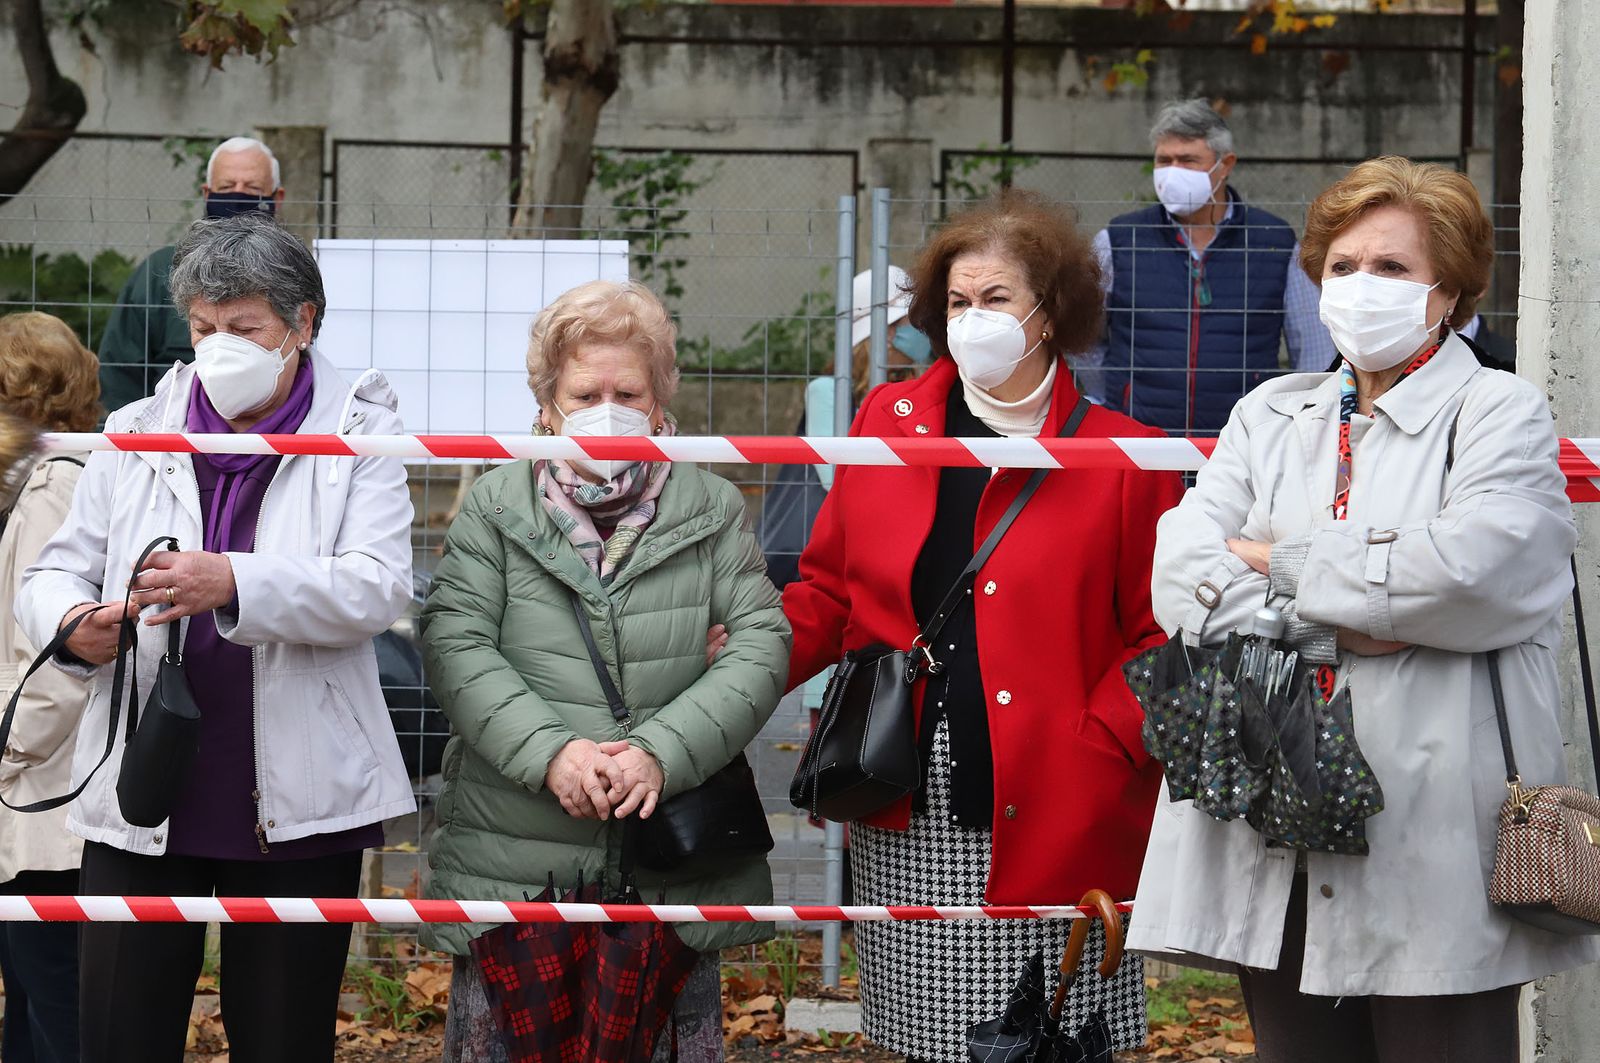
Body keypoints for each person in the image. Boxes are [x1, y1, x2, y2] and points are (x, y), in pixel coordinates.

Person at [1128, 156, 1600, 1062]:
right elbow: (1180, 572)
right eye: (1342, 267)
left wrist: (1283, 563)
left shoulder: (1499, 412)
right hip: (1273, 801)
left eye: (1391, 268)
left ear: (1449, 289)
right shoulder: (1270, 411)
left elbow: (1473, 575)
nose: (1359, 287)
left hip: (1433, 826)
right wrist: (1349, 613)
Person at [783, 190, 1183, 1062]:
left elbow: (1164, 640)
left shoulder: (1125, 457)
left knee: (1054, 1043)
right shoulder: (886, 425)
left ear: (1051, 313)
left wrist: (1103, 742)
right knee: (928, 1042)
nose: (972, 320)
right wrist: (728, 667)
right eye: (957, 303)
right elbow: (828, 593)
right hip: (908, 795)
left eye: (996, 299)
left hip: (1061, 802)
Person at [16, 213, 417, 1063]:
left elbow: (377, 585)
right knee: (119, 1033)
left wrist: (234, 580)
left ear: (303, 323)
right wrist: (71, 625)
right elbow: (54, 572)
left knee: (282, 1038)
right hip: (144, 783)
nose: (219, 347)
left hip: (301, 797)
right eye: (203, 328)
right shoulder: (135, 428)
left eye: (244, 328)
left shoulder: (362, 432)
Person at [419, 279, 791, 1063]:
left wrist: (660, 748)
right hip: (516, 872)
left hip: (668, 872)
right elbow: (457, 644)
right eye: (585, 392)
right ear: (547, 404)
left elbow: (761, 640)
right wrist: (552, 751)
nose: (607, 407)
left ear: (660, 401)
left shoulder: (713, 505)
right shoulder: (492, 506)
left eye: (628, 390)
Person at [1083, 99, 1336, 435]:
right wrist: (1114, 397)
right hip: (1138, 439)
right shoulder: (1119, 239)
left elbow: (1314, 346)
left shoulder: (1272, 241)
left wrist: (1291, 420)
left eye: (1188, 160)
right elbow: (1086, 338)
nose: (1174, 171)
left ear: (1225, 164)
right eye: (1164, 160)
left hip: (1243, 439)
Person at [0, 312, 100, 1063]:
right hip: (30, 795)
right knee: (32, 998)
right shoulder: (36, 483)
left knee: (55, 1003)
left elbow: (60, 666)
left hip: (43, 800)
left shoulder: (52, 492)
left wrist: (0, 752)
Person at [758, 264, 932, 589]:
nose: (921, 330)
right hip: (815, 558)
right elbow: (837, 477)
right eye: (910, 321)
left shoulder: (913, 390)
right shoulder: (830, 392)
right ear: (886, 331)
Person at [98, 136, 287, 414]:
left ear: (276, 197)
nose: (238, 194)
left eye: (252, 188)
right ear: (207, 193)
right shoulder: (160, 271)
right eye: (226, 187)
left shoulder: (292, 273)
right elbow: (119, 371)